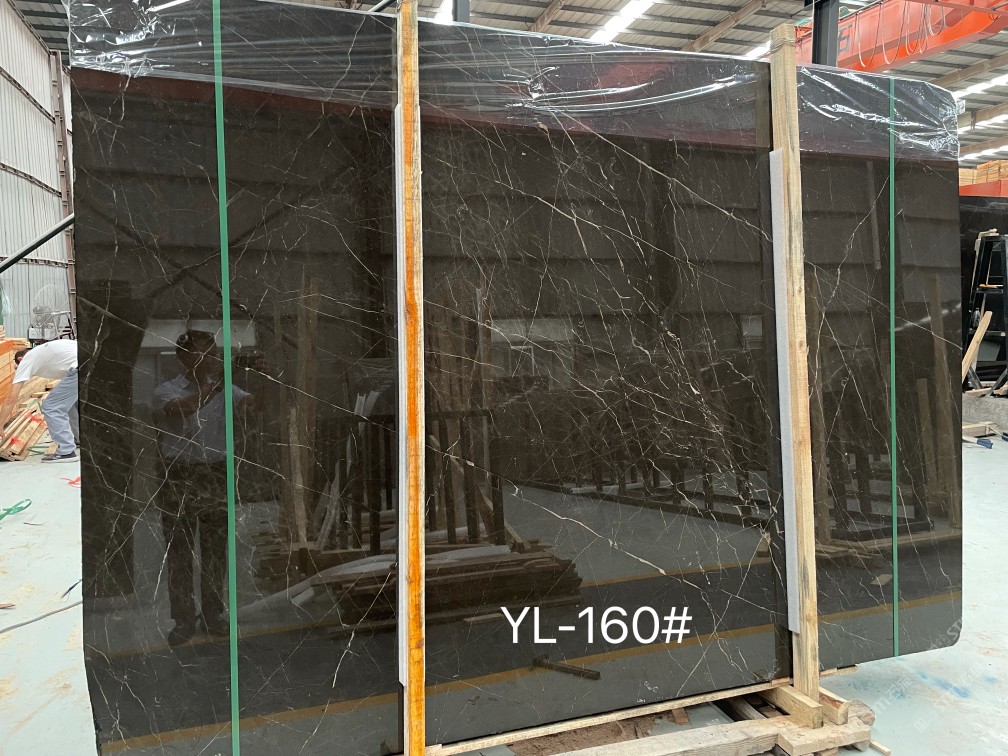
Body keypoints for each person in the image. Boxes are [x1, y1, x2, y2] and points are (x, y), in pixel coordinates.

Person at [153, 330, 261, 646]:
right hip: (179, 474)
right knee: (179, 551)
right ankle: (184, 620)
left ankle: (213, 615)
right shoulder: (166, 390)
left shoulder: (227, 389)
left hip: (215, 472)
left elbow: (254, 407)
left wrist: (264, 379)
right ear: (183, 358)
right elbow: (180, 408)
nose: (212, 359)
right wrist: (214, 388)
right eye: (204, 354)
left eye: (214, 354)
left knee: (215, 550)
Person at [0, 339, 78, 462]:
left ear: (20, 359)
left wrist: (0, 425)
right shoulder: (43, 351)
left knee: (51, 406)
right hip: (91, 363)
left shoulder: (27, 360)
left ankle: (66, 451)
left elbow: (11, 399)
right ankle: (78, 438)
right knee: (69, 402)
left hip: (79, 368)